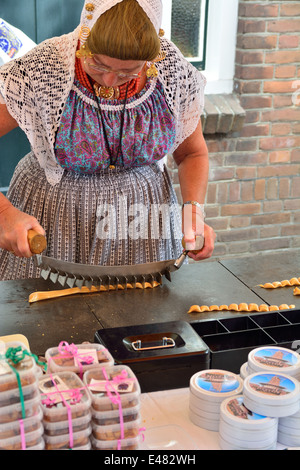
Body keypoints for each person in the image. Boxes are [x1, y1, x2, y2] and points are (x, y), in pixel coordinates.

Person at [0, 0, 215, 281]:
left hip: (143, 230)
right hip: (56, 223)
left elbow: (192, 154)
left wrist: (193, 214)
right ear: (84, 36)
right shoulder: (42, 69)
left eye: (128, 72)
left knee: (144, 319)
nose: (110, 80)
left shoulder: (170, 71)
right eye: (97, 65)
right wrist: (4, 214)